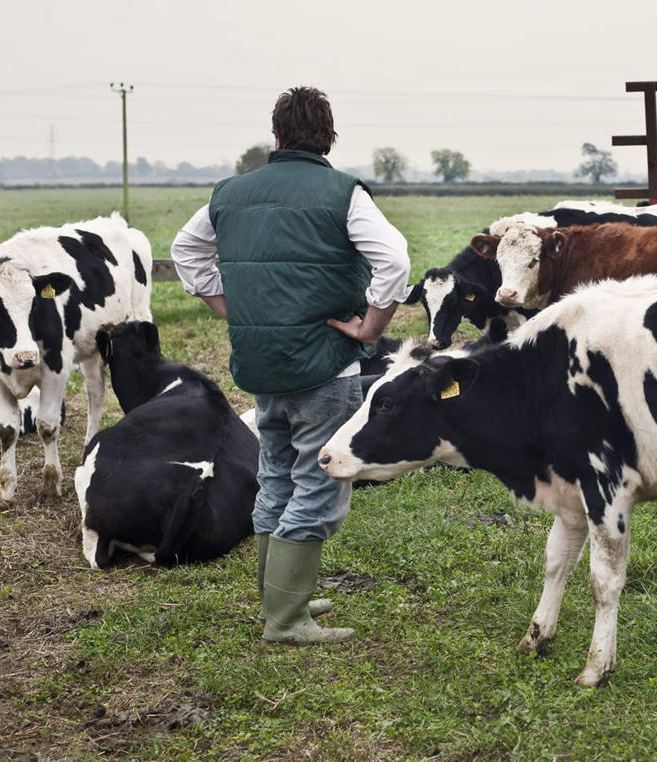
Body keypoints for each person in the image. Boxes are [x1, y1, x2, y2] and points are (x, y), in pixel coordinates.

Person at [171, 86, 410, 644]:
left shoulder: (229, 193)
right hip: (325, 367)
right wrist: (371, 328)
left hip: (262, 366)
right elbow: (394, 260)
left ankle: (278, 599)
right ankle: (286, 620)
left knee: (275, 476)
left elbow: (186, 252)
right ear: (328, 138)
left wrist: (226, 305)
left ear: (275, 136)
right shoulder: (342, 193)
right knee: (318, 484)